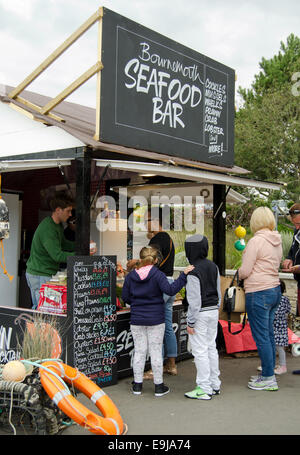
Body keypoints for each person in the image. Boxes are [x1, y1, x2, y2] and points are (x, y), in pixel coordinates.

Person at [122, 246, 194, 397]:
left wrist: (136, 303)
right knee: (155, 351)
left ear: (140, 259)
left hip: (137, 319)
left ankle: (137, 385)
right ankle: (159, 387)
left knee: (140, 351)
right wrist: (183, 276)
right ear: (155, 260)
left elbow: (126, 298)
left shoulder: (130, 276)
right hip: (156, 318)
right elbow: (170, 290)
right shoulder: (158, 275)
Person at [238, 206, 282, 391]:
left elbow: (245, 270)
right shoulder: (277, 241)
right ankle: (268, 372)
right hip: (274, 289)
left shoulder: (256, 241)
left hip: (258, 291)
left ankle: (268, 377)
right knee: (269, 335)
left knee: (261, 336)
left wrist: (239, 273)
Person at [184, 234, 221, 400]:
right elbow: (219, 292)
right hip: (213, 310)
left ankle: (204, 388)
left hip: (200, 314)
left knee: (199, 351)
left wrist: (190, 321)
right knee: (211, 347)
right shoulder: (214, 266)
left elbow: (194, 301)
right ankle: (214, 384)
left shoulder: (192, 271)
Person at [26, 191, 75, 309]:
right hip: (39, 274)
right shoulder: (48, 228)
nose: (70, 215)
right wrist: (80, 254)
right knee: (41, 309)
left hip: (45, 273)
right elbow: (57, 255)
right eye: (68, 211)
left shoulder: (57, 225)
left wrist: (82, 246)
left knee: (47, 309)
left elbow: (64, 244)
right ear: (58, 210)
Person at [146, 207, 178, 376]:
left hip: (159, 285)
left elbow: (152, 261)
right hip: (170, 282)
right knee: (167, 327)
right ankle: (171, 365)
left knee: (155, 328)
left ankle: (153, 369)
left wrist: (135, 264)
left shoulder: (157, 239)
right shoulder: (168, 239)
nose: (145, 225)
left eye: (147, 220)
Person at [282, 203, 300, 316]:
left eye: (299, 224)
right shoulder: (296, 232)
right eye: (295, 224)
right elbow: (293, 249)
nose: (297, 227)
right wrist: (289, 258)